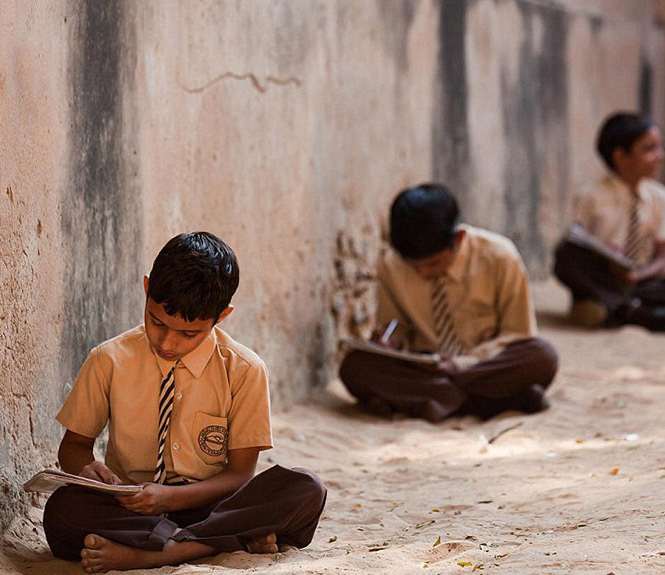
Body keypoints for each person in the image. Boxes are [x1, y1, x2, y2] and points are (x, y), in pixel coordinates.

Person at [43, 232, 326, 573]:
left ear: (222, 316)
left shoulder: (245, 370)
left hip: (211, 503)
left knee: (307, 488)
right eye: (156, 322)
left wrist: (169, 499)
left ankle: (160, 554)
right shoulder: (109, 360)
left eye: (188, 334)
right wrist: (86, 469)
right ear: (147, 289)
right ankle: (220, 541)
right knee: (61, 511)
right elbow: (73, 446)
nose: (167, 342)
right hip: (130, 508)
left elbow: (239, 475)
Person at [339, 183, 559, 423]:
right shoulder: (391, 266)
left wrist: (459, 365)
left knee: (542, 356)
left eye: (433, 263)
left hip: (481, 367)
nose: (423, 273)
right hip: (427, 368)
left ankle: (436, 400)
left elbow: (518, 335)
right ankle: (487, 403)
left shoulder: (500, 257)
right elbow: (397, 328)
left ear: (459, 238)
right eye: (414, 266)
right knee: (355, 367)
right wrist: (392, 341)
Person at [553, 112, 665, 331]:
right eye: (649, 149)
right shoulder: (591, 196)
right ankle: (645, 314)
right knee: (565, 256)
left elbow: (661, 259)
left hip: (640, 282)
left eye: (659, 147)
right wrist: (607, 255)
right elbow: (580, 246)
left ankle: (619, 309)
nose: (659, 156)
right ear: (621, 157)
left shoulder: (660, 197)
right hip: (603, 277)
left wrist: (636, 275)